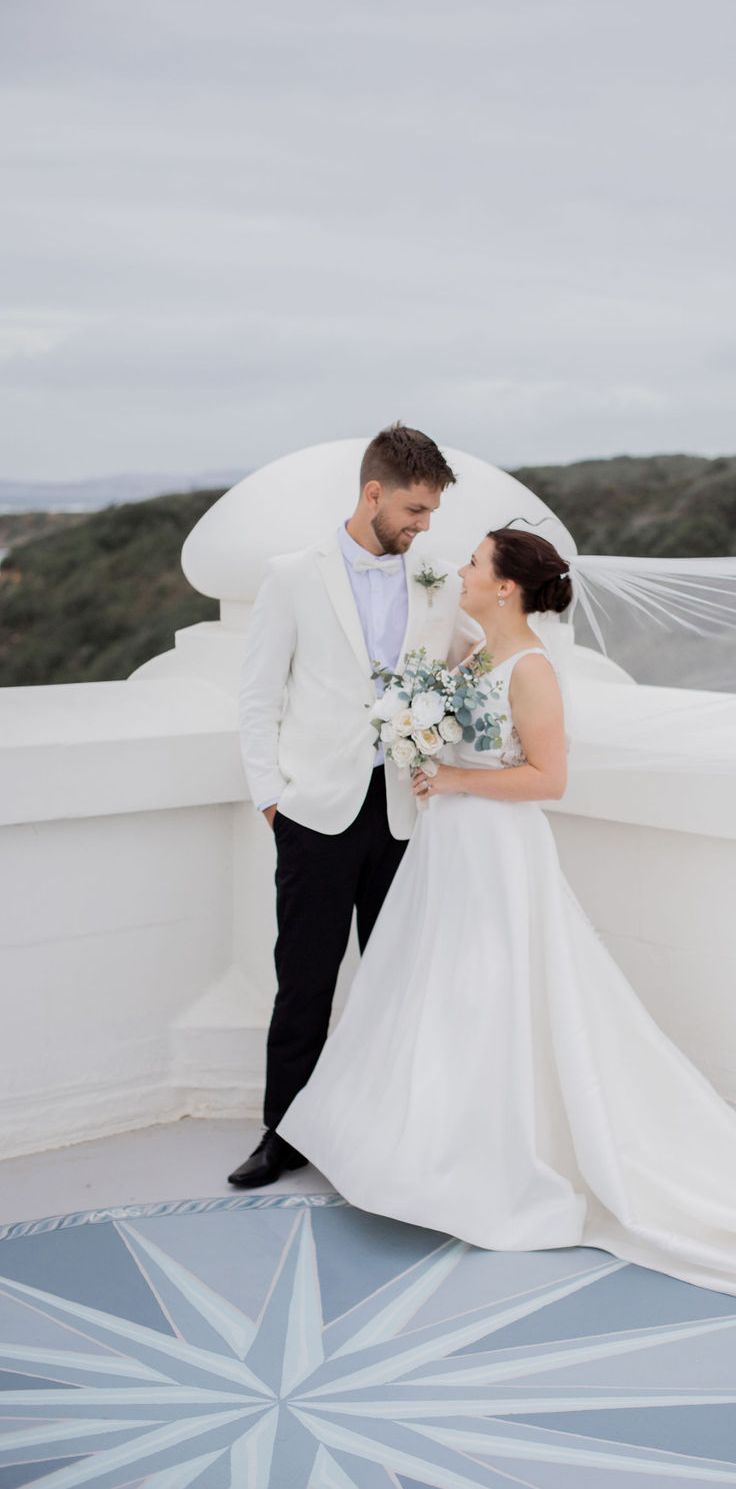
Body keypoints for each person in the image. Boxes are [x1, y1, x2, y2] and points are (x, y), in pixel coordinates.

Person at [278, 526, 736, 1334]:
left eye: (474, 562)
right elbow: (441, 709)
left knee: (496, 997)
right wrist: (424, 746)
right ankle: (427, 1155)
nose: (461, 570)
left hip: (496, 853)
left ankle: (492, 1170)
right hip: (449, 847)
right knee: (439, 994)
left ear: (506, 586)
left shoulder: (530, 667)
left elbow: (549, 777)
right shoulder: (475, 653)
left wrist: (454, 775)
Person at [228, 423, 473, 1188]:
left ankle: (389, 1128)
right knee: (305, 979)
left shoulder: (435, 578)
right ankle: (283, 1134)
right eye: (415, 509)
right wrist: (273, 801)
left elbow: (475, 653)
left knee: (398, 979)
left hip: (404, 809)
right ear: (374, 494)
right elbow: (258, 695)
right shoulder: (291, 576)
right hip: (315, 813)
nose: (424, 526)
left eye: (430, 513)